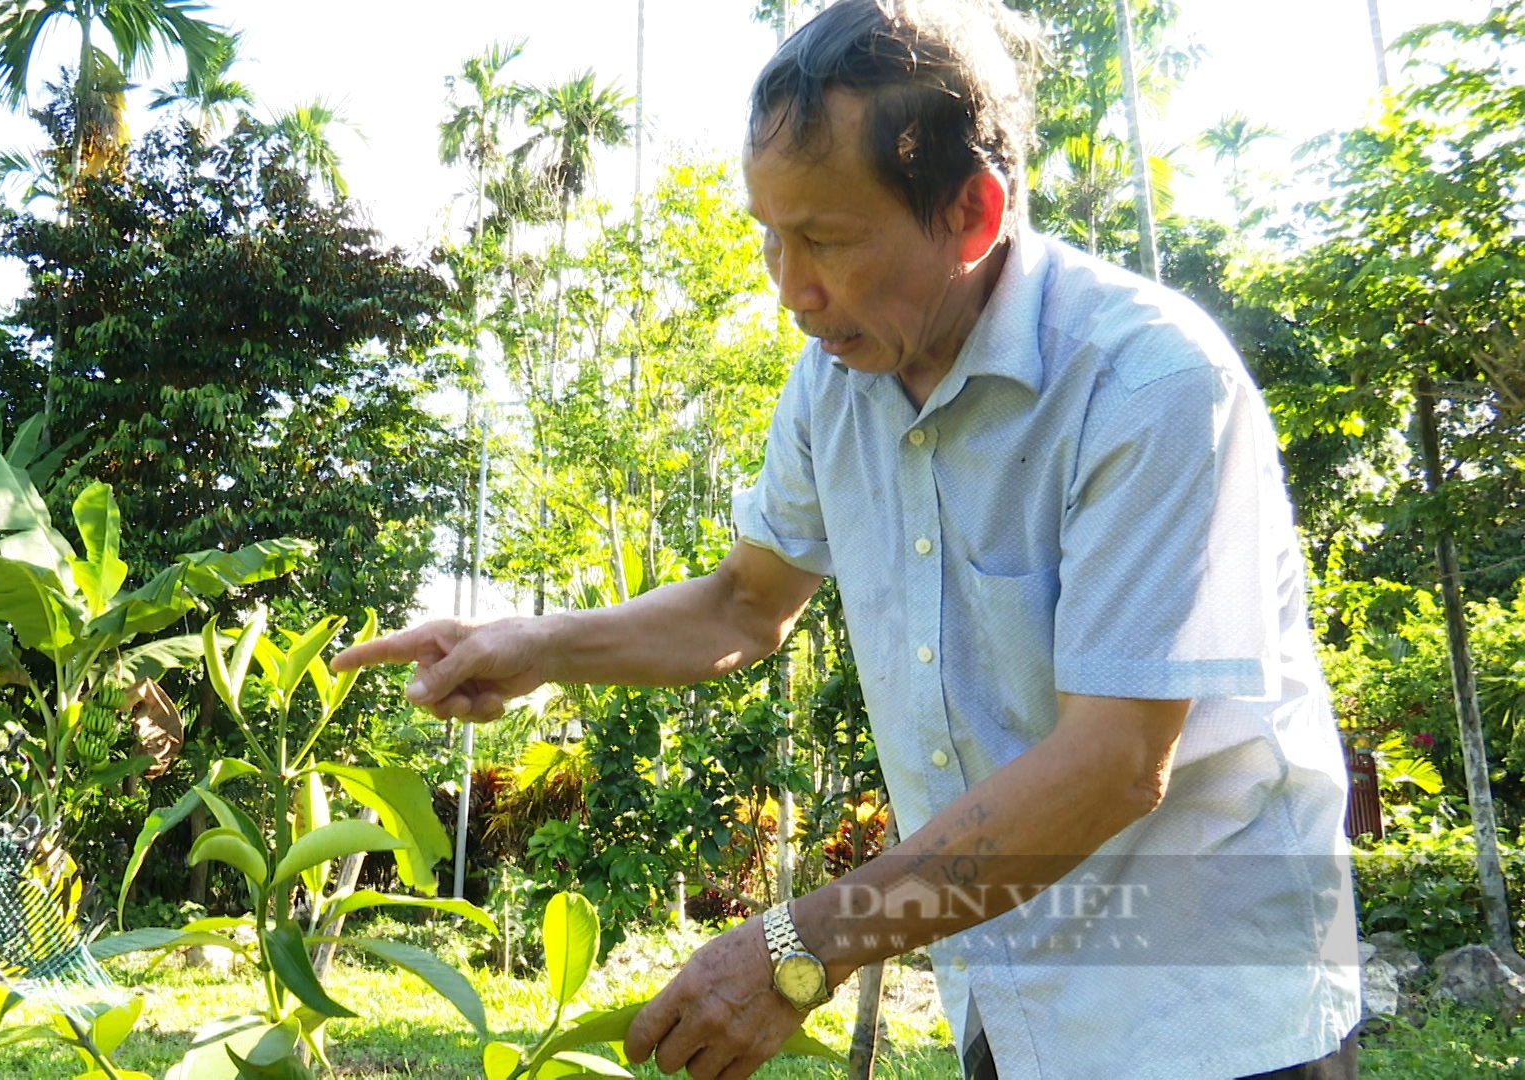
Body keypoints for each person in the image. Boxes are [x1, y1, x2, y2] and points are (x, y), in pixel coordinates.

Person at [331, 1, 1361, 1076]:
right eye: (770, 235)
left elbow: (1110, 762)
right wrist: (534, 647)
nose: (790, 287)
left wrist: (799, 948)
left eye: (825, 239)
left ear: (971, 213)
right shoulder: (838, 386)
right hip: (1014, 1001)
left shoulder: (1148, 382)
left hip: (1214, 1009)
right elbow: (743, 605)